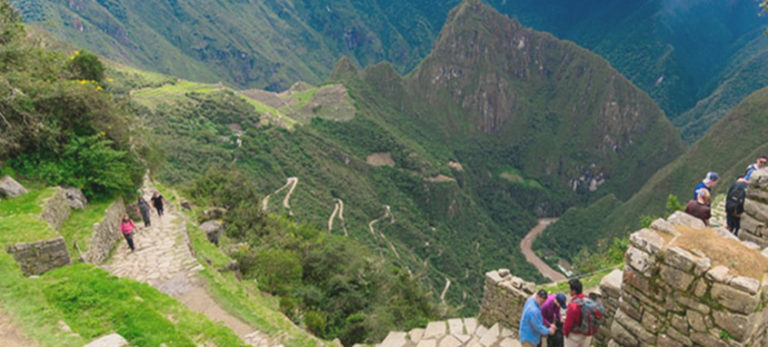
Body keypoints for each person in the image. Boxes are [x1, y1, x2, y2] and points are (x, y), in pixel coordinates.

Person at [563, 279, 590, 347]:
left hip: (574, 336)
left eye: (570, 289)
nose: (569, 290)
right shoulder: (587, 299)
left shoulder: (573, 305)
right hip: (583, 333)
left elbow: (568, 324)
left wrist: (565, 333)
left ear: (574, 291)